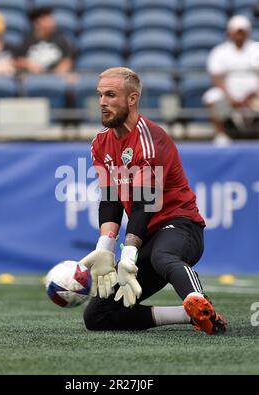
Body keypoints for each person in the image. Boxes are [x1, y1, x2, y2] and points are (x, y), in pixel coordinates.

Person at [80, 67, 226, 335]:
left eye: (111, 95)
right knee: (98, 316)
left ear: (132, 99)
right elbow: (111, 199)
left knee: (162, 255)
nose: (102, 102)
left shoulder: (150, 139)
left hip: (181, 227)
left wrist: (129, 253)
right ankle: (191, 315)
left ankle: (200, 303)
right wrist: (105, 248)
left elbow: (143, 203)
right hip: (147, 235)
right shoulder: (100, 143)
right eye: (100, 95)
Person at [203, 15, 259, 146]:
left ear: (247, 32)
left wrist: (253, 93)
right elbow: (216, 77)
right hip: (228, 95)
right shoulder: (220, 52)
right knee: (211, 97)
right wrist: (230, 97)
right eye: (236, 31)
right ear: (230, 32)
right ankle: (221, 134)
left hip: (254, 95)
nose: (239, 35)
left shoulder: (256, 49)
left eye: (242, 31)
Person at [15, 7, 74, 75]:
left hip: (56, 78)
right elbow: (16, 60)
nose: (52, 22)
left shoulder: (60, 38)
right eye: (47, 19)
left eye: (51, 19)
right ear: (36, 23)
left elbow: (68, 59)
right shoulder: (27, 40)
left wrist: (60, 71)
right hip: (33, 77)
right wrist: (27, 64)